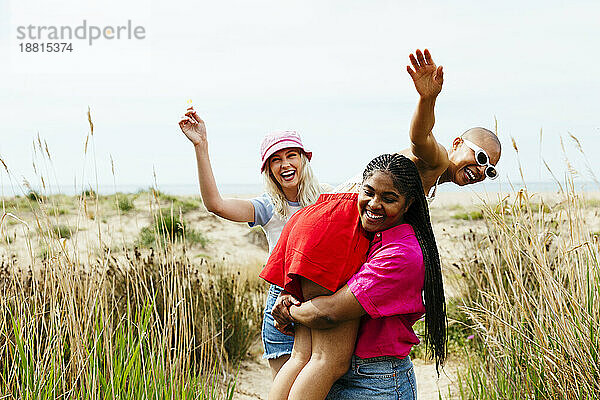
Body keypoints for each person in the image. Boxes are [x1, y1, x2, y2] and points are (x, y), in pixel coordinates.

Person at [261, 154, 445, 400]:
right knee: (325, 360)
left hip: (310, 227)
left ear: (408, 204)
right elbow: (328, 313)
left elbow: (327, 311)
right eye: (369, 192)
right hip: (376, 378)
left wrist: (290, 308)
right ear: (360, 187)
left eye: (388, 199)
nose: (374, 204)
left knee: (301, 356)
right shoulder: (392, 243)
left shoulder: (392, 246)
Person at [178, 109, 323, 378]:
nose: (285, 164)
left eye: (291, 155)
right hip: (282, 309)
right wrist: (201, 146)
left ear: (304, 159)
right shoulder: (269, 206)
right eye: (276, 160)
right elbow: (216, 205)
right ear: (268, 170)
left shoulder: (327, 201)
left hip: (321, 303)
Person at [338, 49, 502, 199]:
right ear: (457, 143)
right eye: (481, 157)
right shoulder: (439, 160)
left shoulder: (435, 178)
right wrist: (427, 99)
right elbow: (420, 138)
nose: (481, 171)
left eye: (489, 170)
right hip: (348, 206)